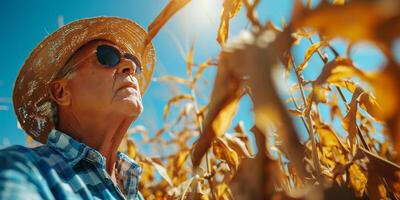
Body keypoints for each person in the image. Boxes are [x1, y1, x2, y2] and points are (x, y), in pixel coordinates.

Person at [0, 16, 155, 200]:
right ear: (61, 93)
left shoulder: (135, 193)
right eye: (107, 56)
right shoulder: (24, 168)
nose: (129, 66)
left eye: (133, 63)